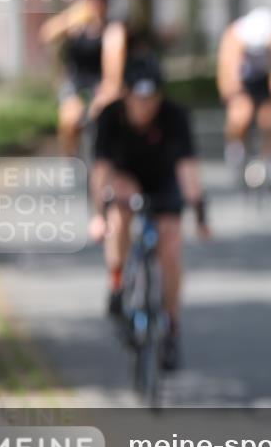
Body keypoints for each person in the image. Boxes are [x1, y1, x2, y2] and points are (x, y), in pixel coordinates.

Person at [88, 58, 210, 370]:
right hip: (125, 178)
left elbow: (188, 169)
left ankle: (170, 327)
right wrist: (98, 215)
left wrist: (200, 214)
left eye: (151, 99)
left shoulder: (175, 117)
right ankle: (116, 283)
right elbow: (101, 170)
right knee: (120, 218)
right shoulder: (109, 117)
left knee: (170, 248)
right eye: (138, 99)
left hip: (162, 181)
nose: (145, 107)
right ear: (126, 96)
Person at [40, 0, 127, 156]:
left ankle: (105, 160)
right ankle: (70, 159)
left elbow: (113, 72)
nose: (98, 5)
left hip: (100, 83)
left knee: (104, 115)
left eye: (103, 1)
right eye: (95, 0)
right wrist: (70, 18)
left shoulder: (113, 30)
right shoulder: (75, 24)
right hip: (75, 82)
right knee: (69, 120)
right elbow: (46, 34)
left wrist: (106, 93)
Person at [216, 7, 271, 181]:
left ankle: (270, 154)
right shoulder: (234, 36)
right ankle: (235, 145)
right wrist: (232, 93)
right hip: (243, 79)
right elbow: (228, 72)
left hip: (264, 79)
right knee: (240, 113)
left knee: (269, 118)